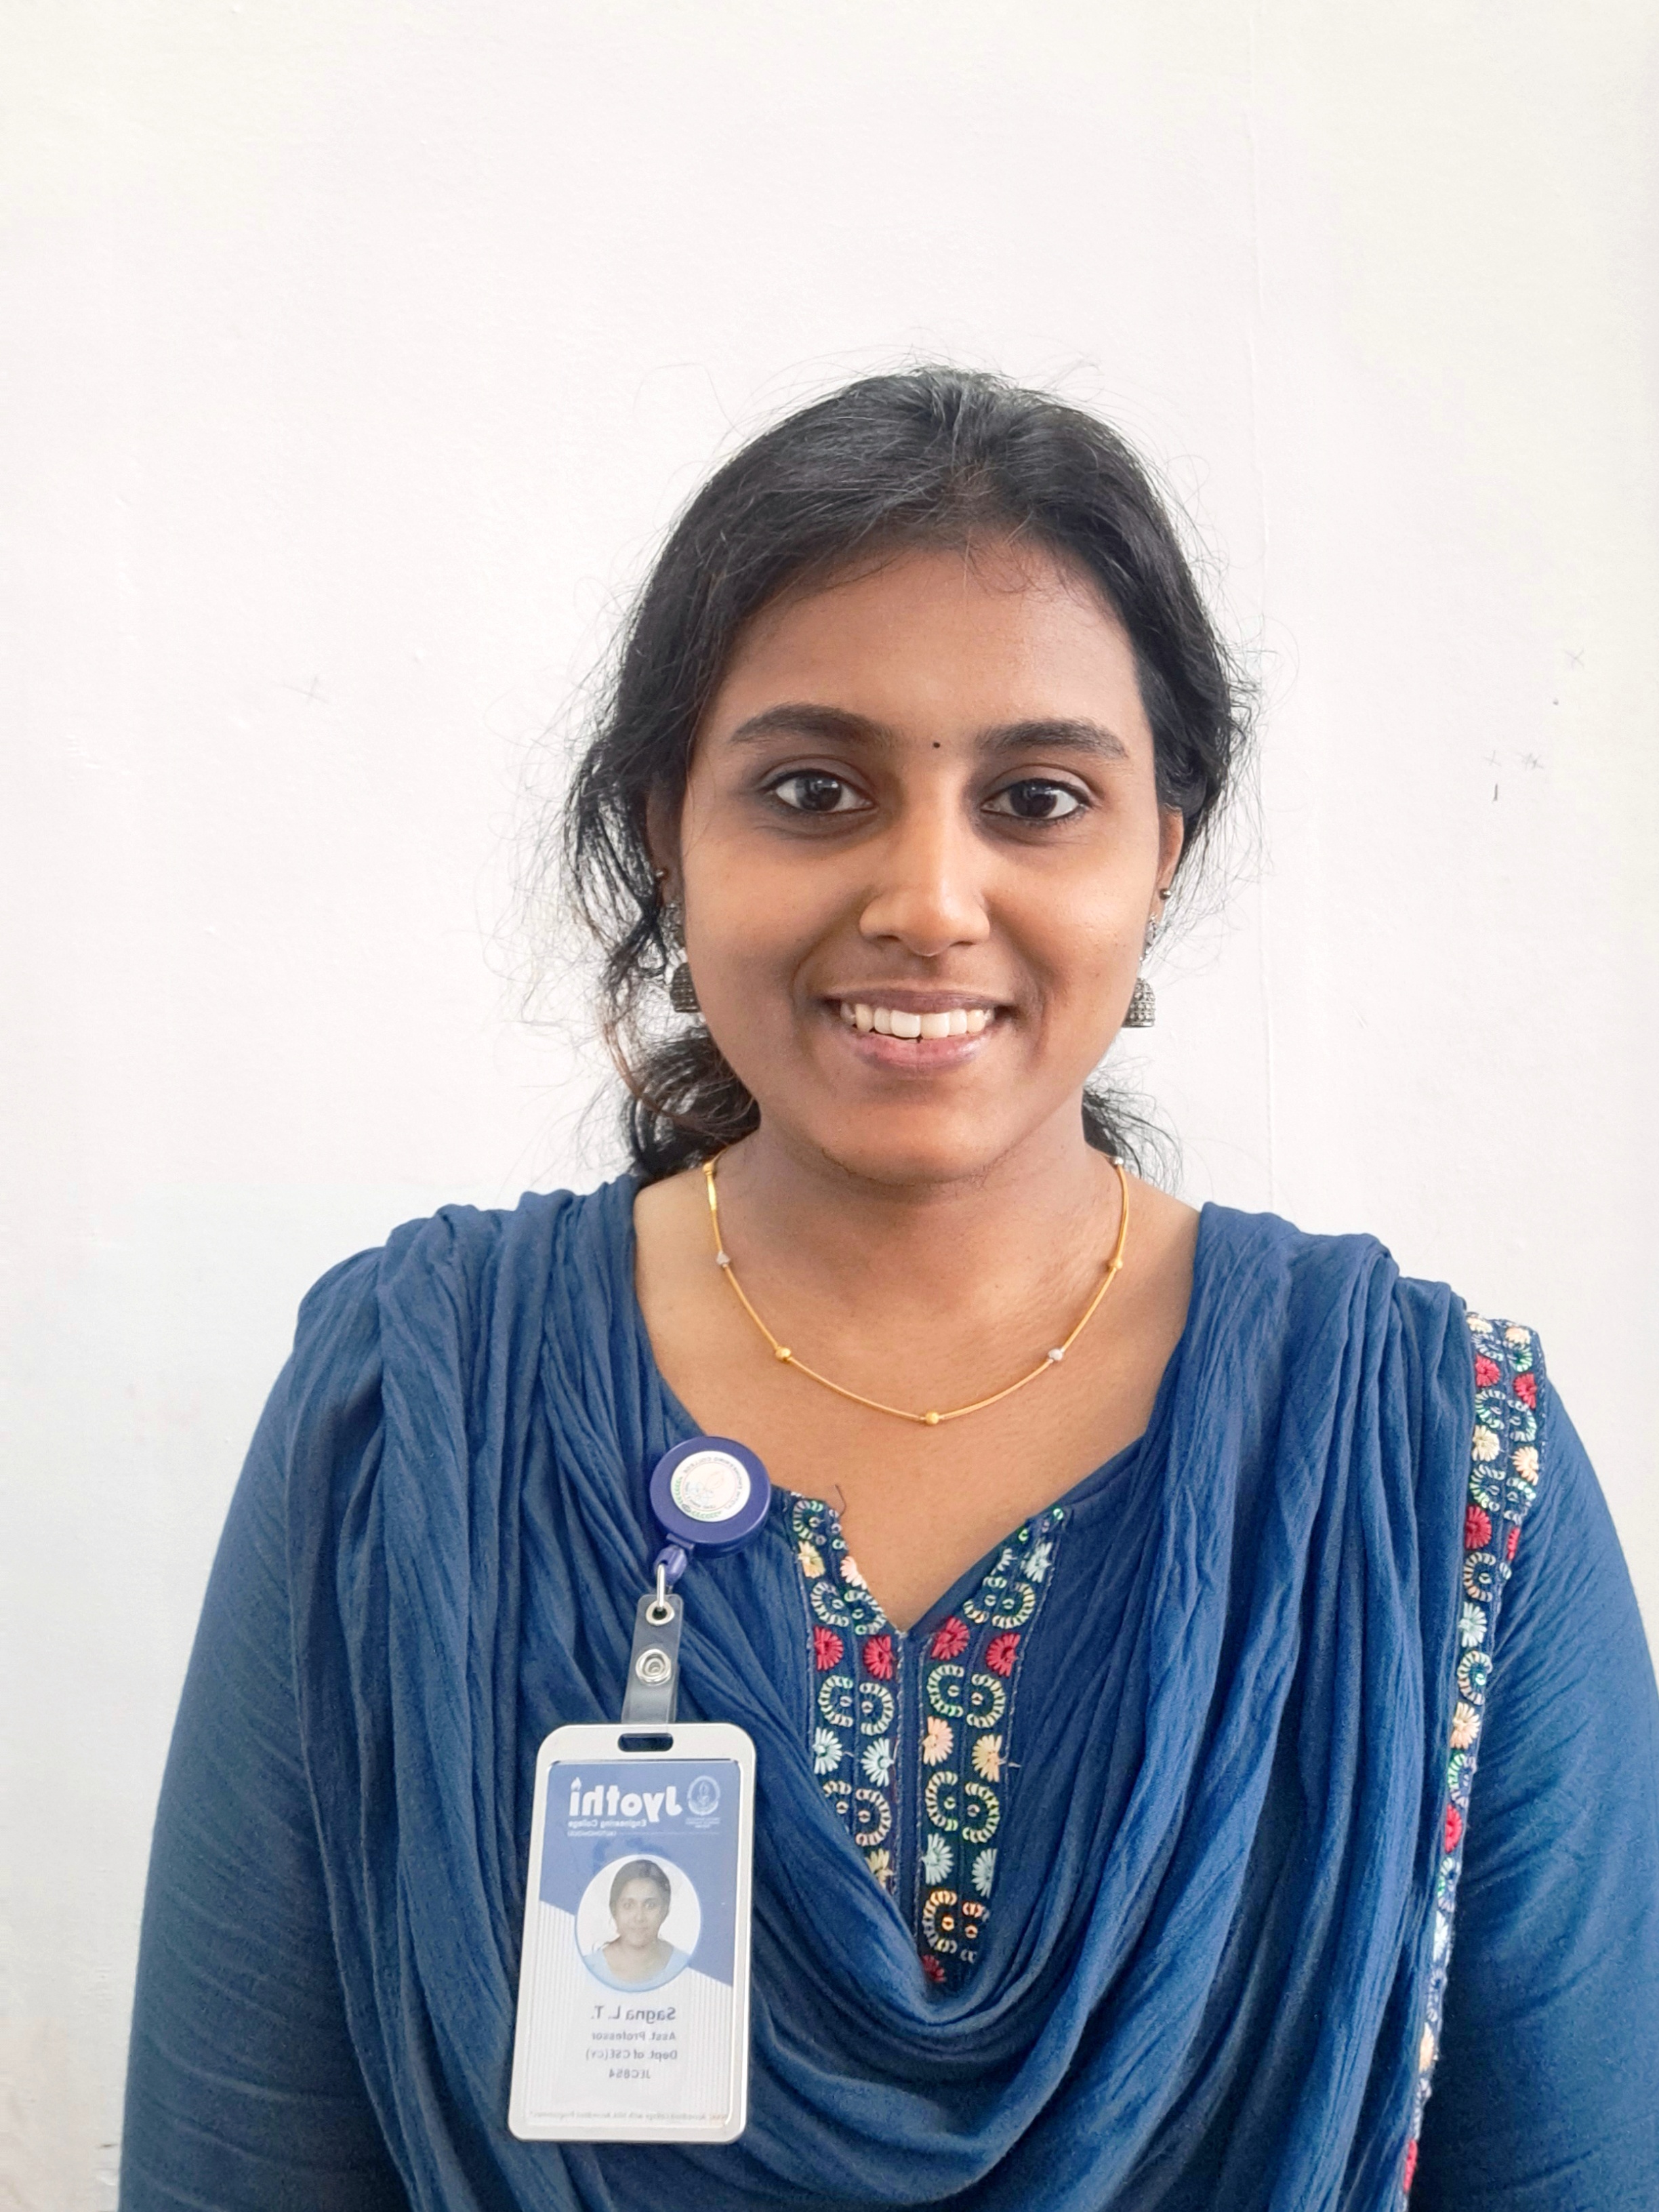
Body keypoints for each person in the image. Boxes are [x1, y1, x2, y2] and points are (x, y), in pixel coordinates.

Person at [121, 368, 1659, 2211]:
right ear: (666, 835)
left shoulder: (1435, 1459)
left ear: (1160, 854)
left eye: (1036, 798)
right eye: (812, 790)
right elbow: (238, 2160)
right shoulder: (418, 1408)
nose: (929, 898)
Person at [584, 1860, 690, 1991]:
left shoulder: (686, 1967)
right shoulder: (589, 1968)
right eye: (628, 1905)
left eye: (650, 1905)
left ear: (665, 1910)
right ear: (614, 1910)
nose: (639, 1917)